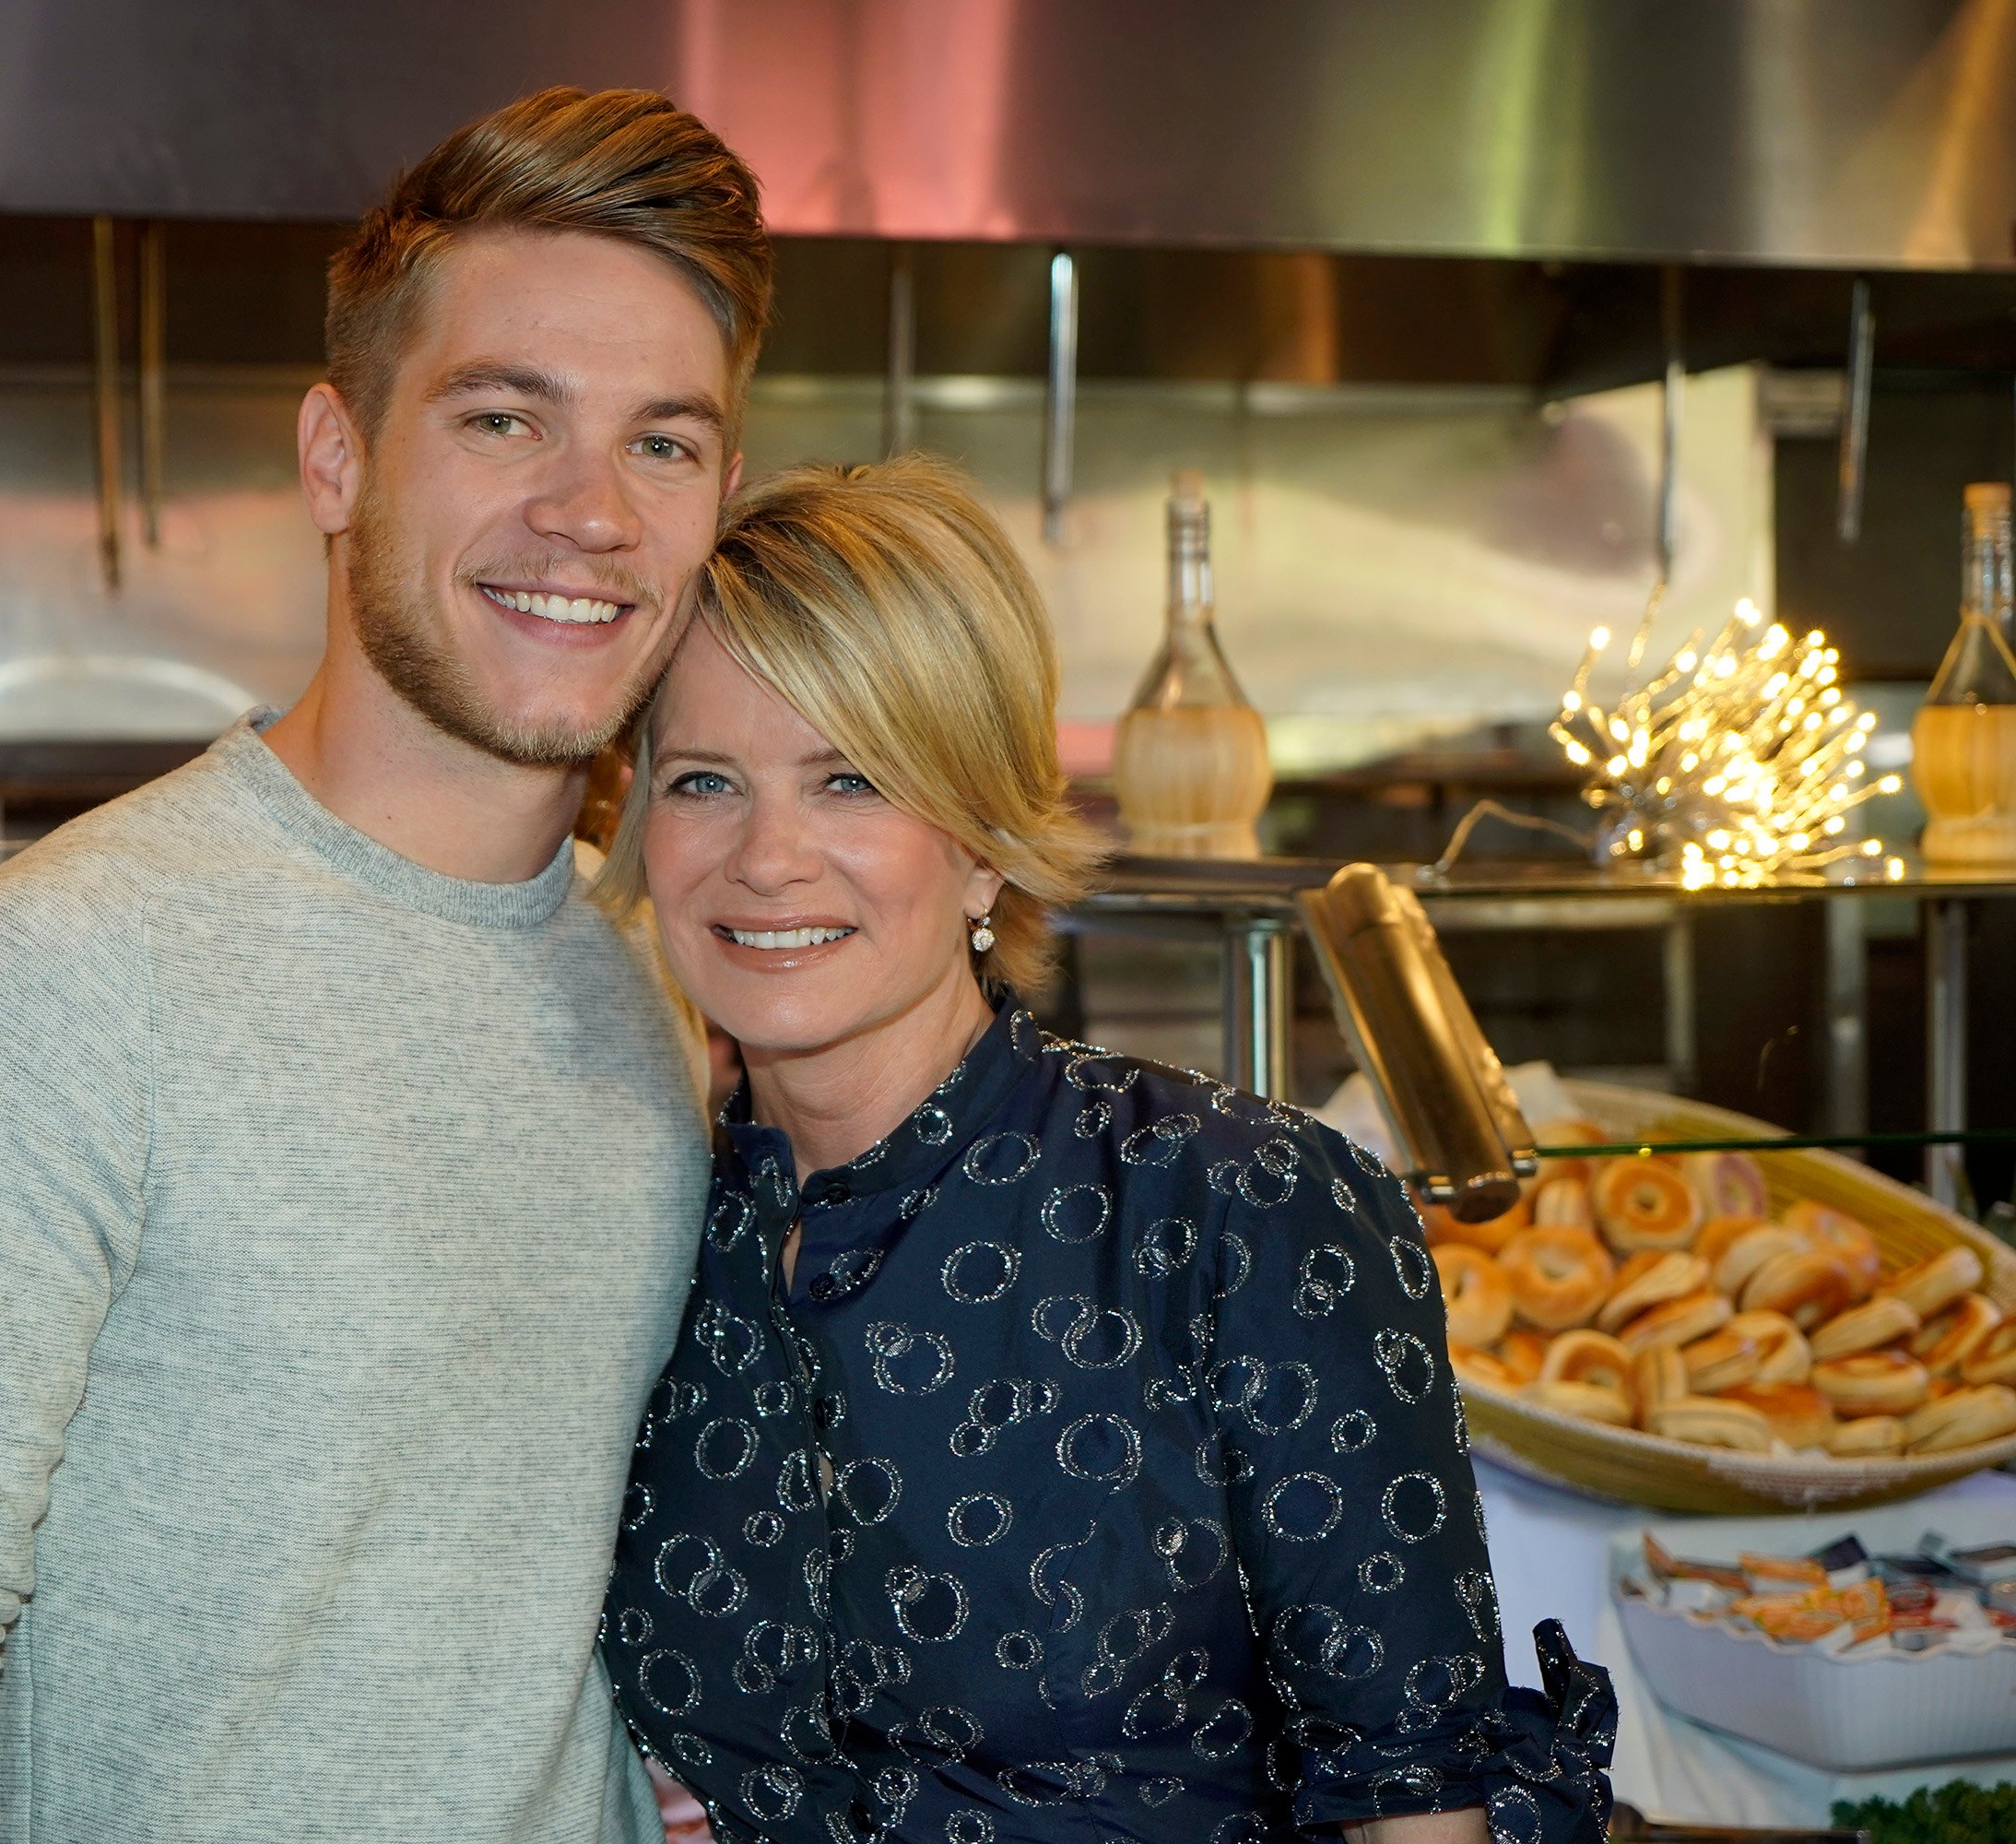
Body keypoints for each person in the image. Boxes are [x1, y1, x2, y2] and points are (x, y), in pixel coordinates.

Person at [0, 88, 772, 1844]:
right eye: (506, 419)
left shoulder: (666, 984)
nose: (591, 513)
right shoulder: (44, 985)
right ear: (337, 458)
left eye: (663, 443)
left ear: (720, 493)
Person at [595, 458, 1616, 1844]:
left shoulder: (1238, 1209)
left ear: (982, 846)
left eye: (852, 780)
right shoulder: (637, 1232)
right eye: (706, 779)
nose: (766, 857)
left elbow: (1410, 1802)